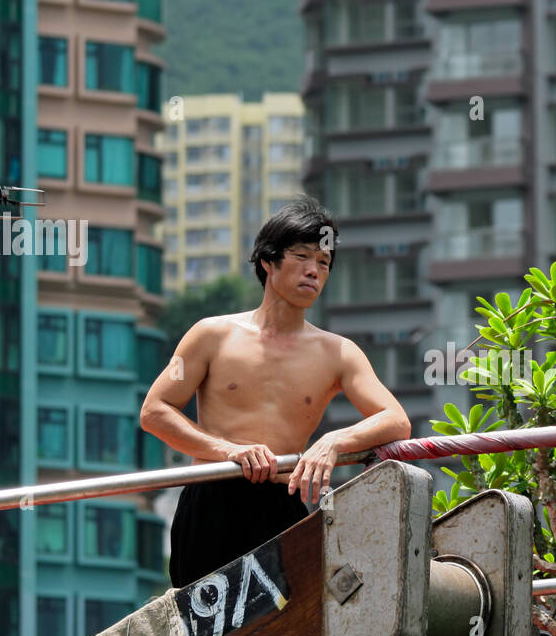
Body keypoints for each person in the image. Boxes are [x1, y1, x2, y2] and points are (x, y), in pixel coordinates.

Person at [140, 196, 412, 588]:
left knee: (289, 635)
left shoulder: (337, 352)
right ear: (268, 261)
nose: (313, 272)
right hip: (211, 497)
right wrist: (230, 451)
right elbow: (155, 411)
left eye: (323, 263)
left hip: (281, 502)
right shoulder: (211, 335)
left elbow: (396, 420)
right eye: (302, 257)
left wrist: (333, 442)